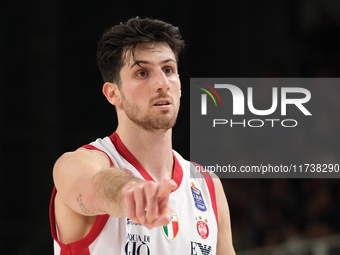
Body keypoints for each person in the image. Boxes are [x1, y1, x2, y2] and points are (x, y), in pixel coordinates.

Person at [50, 17, 235, 255]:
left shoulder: (207, 184)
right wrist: (130, 191)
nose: (162, 83)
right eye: (142, 73)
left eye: (168, 70)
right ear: (112, 93)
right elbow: (94, 186)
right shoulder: (79, 163)